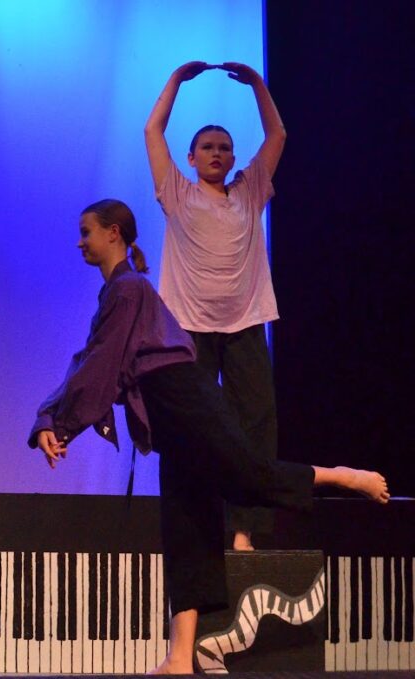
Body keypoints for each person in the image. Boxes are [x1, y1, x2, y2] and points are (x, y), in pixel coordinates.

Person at [28, 199, 388, 675]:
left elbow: (99, 363)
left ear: (113, 233)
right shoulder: (118, 292)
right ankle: (180, 657)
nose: (80, 241)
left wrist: (59, 420)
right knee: (185, 522)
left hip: (182, 393)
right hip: (164, 406)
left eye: (86, 232)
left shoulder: (131, 288)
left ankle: (341, 476)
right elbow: (92, 357)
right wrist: (49, 418)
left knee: (248, 478)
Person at [144, 62, 287, 551]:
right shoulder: (177, 193)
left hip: (245, 323)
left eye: (225, 147)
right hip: (188, 328)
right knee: (193, 427)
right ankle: (197, 525)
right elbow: (152, 130)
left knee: (255, 422)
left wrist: (257, 85)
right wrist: (177, 82)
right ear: (191, 157)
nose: (218, 153)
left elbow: (277, 133)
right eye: (207, 147)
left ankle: (244, 530)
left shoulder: (250, 190)